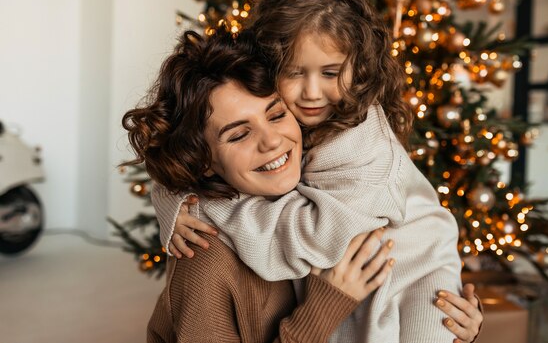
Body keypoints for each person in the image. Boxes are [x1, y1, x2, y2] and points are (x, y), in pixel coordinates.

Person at [154, 0, 482, 343]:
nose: (311, 94)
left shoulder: (361, 145)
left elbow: (318, 237)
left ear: (357, 70)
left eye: (330, 72)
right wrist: (174, 197)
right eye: (294, 73)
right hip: (363, 285)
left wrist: (203, 205)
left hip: (420, 279)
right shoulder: (206, 260)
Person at [123, 29, 396, 342]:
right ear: (203, 160)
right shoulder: (204, 267)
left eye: (277, 115)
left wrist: (463, 330)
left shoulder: (317, 182)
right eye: (239, 135)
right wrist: (324, 307)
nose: (272, 141)